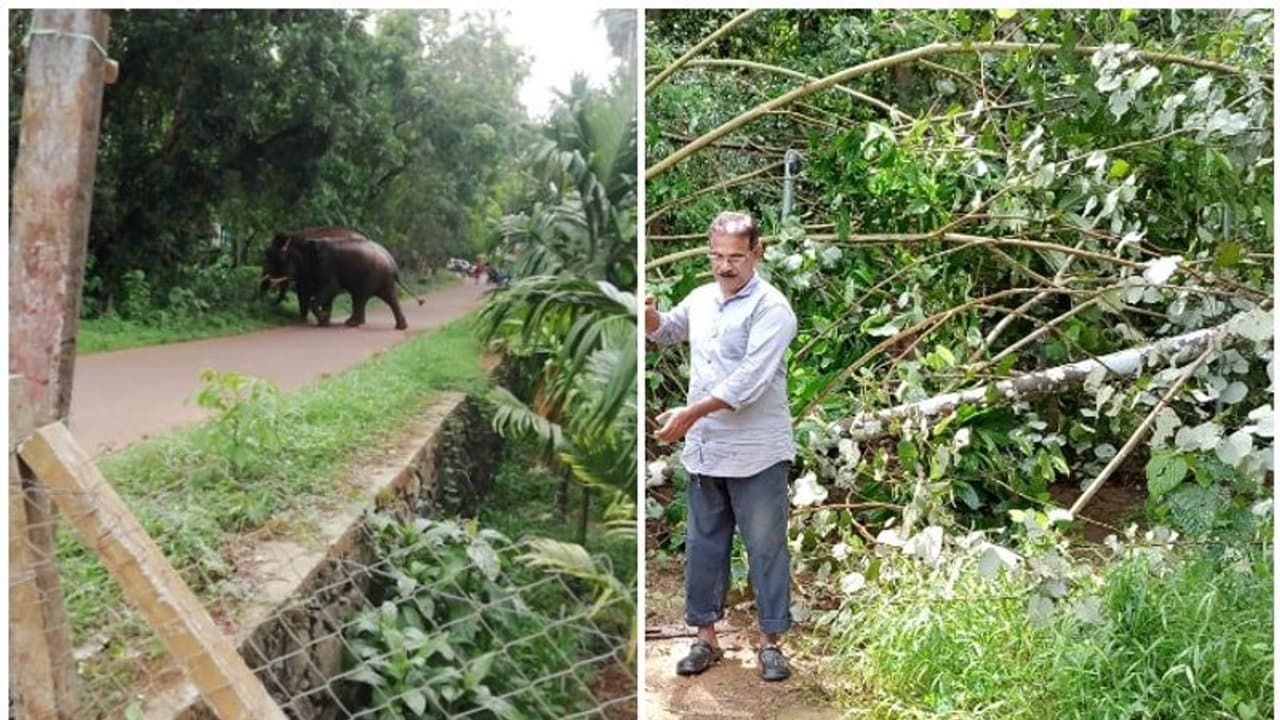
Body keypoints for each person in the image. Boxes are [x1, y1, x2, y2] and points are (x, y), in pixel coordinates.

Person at [645, 210, 798, 682]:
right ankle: (706, 638)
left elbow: (749, 383)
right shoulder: (702, 299)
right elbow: (669, 330)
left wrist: (688, 415)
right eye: (716, 256)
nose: (724, 266)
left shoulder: (773, 309)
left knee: (765, 548)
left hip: (757, 451)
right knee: (704, 546)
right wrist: (649, 317)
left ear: (756, 253)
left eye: (735, 257)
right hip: (708, 451)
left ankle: (770, 642)